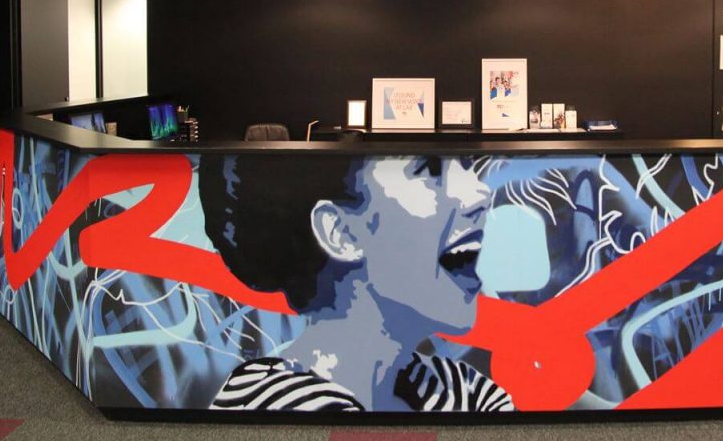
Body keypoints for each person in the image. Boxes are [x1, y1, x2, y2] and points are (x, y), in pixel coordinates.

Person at [198, 154, 514, 413]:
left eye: (467, 164)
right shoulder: (281, 409)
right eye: (428, 169)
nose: (480, 194)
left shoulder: (462, 392)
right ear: (340, 233)